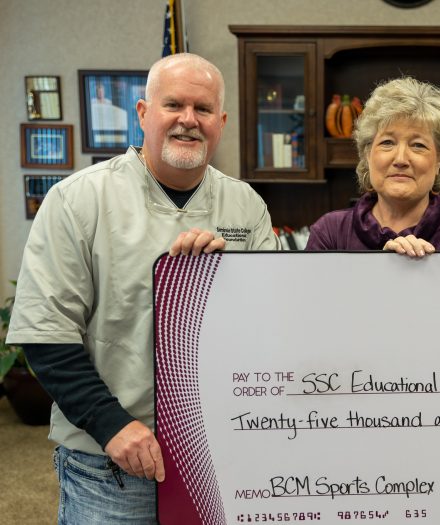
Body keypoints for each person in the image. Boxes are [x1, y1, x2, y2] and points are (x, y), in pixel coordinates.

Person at [7, 53, 279, 524]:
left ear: (222, 121)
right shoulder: (77, 200)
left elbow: (271, 325)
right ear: (143, 113)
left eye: (203, 109)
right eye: (173, 104)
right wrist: (113, 427)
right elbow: (45, 335)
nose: (188, 120)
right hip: (111, 462)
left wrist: (224, 284)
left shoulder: (246, 205)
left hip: (218, 455)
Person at [305, 76, 440, 256]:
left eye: (418, 145)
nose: (401, 159)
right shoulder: (329, 234)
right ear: (367, 153)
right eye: (387, 142)